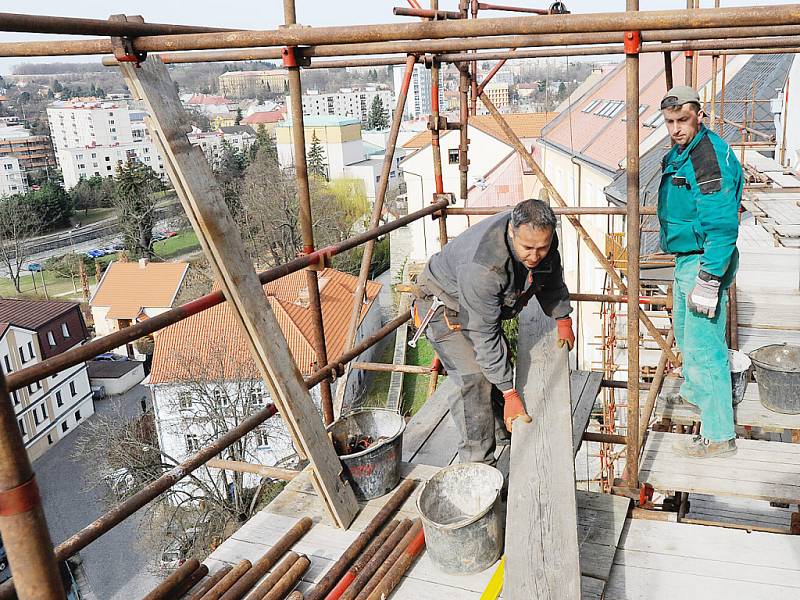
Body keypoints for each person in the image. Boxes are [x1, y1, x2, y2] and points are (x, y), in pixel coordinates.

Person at [413, 198, 574, 464]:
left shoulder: (543, 241)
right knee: (474, 378)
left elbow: (551, 275)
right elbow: (484, 334)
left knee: (496, 368)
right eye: (528, 248)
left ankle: (505, 431)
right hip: (445, 308)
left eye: (542, 248)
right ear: (512, 231)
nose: (535, 256)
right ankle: (478, 464)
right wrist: (509, 393)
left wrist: (562, 318)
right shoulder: (484, 267)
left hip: (477, 306)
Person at [658, 85, 742, 458]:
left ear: (699, 115)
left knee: (705, 347)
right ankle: (697, 394)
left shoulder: (706, 158)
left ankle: (719, 433)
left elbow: (723, 226)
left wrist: (709, 280)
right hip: (686, 259)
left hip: (703, 259)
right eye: (670, 121)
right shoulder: (685, 151)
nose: (675, 128)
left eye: (683, 120)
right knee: (686, 335)